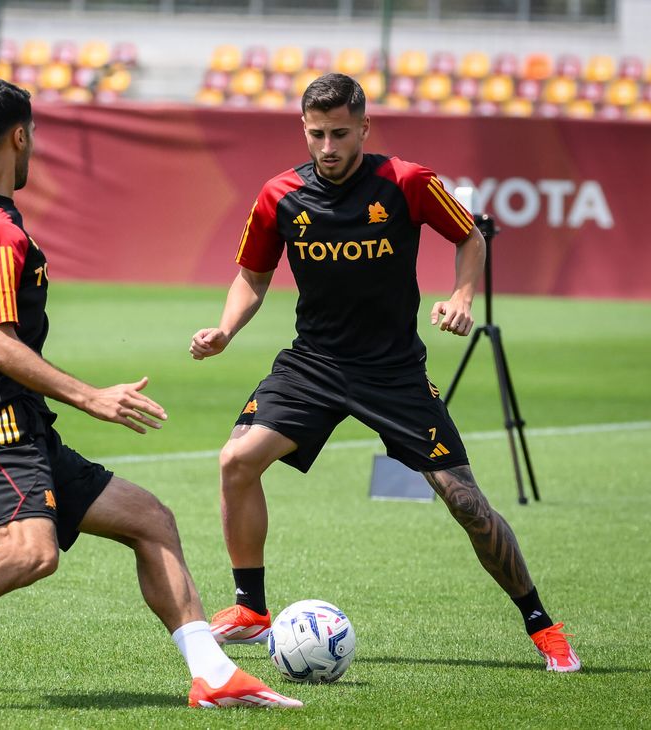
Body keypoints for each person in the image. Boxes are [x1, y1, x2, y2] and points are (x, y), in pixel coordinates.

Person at [0, 77, 301, 712]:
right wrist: (93, 397)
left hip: (11, 419)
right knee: (32, 551)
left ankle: (212, 673)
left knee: (150, 521)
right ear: (19, 137)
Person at [190, 72, 579, 673]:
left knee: (465, 503)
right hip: (313, 364)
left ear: (364, 129)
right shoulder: (279, 195)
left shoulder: (407, 181)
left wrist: (462, 297)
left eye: (340, 133)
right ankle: (251, 608)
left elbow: (470, 235)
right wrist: (226, 329)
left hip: (392, 370)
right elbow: (254, 275)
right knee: (236, 460)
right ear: (304, 128)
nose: (327, 146)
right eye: (317, 133)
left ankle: (541, 624)